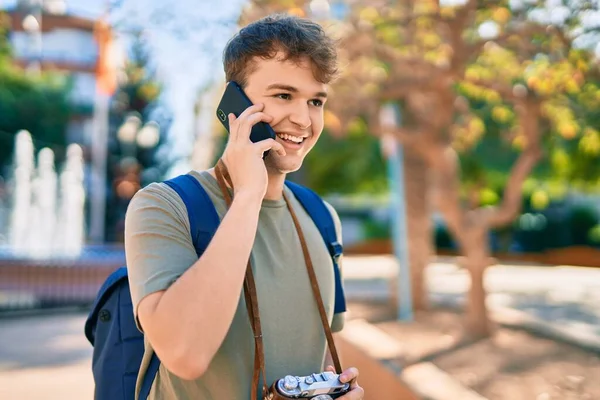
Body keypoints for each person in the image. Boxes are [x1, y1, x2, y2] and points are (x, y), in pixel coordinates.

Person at [125, 13, 364, 400]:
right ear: (233, 101)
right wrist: (248, 196)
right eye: (283, 95)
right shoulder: (163, 206)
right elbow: (184, 355)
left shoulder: (322, 218)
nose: (303, 119)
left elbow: (314, 355)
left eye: (316, 101)